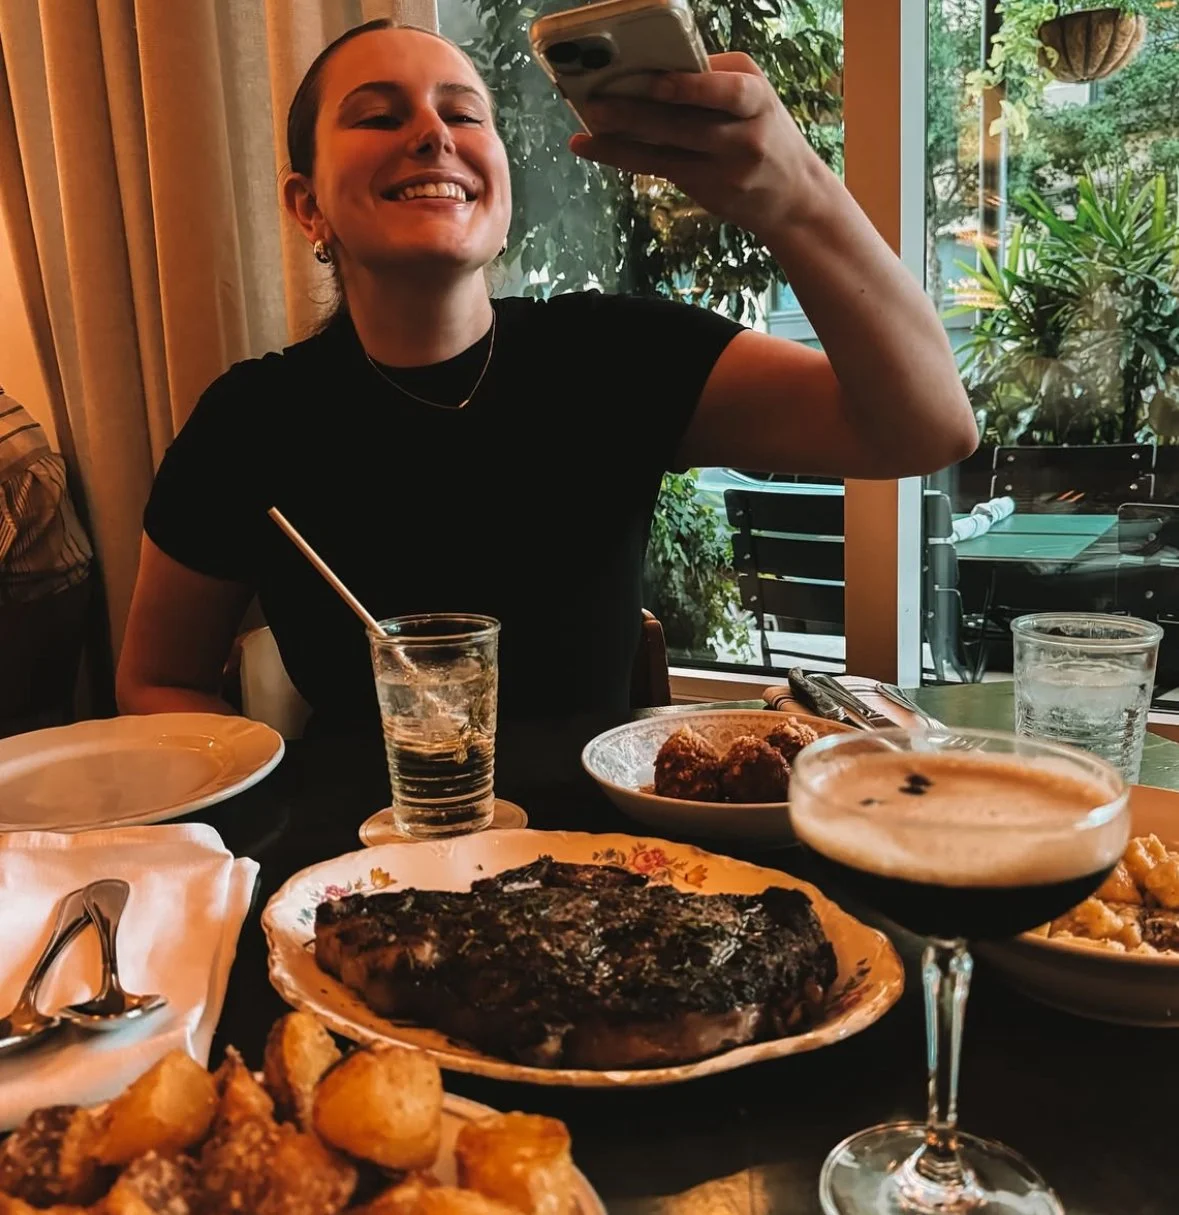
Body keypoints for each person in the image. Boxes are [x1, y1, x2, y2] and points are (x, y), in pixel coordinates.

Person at [116, 19, 976, 739]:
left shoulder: (611, 356)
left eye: (463, 114)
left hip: (610, 872)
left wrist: (795, 195)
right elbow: (155, 680)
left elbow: (925, 426)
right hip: (364, 875)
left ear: (498, 188)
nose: (432, 133)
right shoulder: (249, 421)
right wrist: (285, 796)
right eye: (378, 116)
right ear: (308, 207)